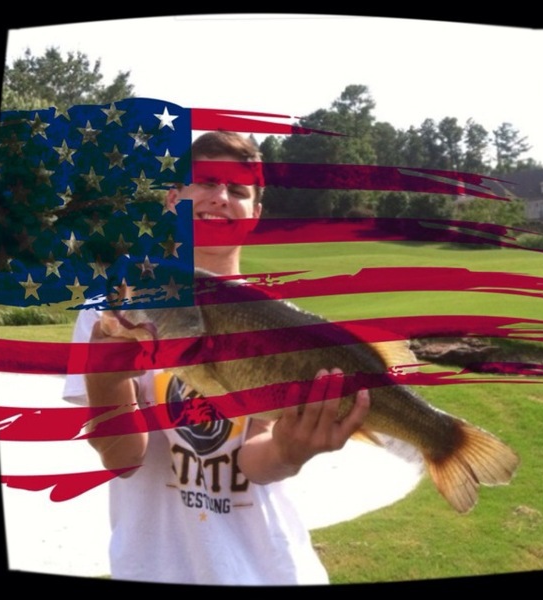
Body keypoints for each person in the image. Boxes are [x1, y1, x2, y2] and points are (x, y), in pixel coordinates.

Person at [63, 131, 370, 586]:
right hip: (155, 569)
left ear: (255, 214)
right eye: (206, 182)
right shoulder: (117, 304)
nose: (221, 198)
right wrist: (105, 380)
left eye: (238, 191)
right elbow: (123, 459)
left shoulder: (277, 323)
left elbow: (256, 462)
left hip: (271, 572)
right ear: (173, 199)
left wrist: (289, 451)